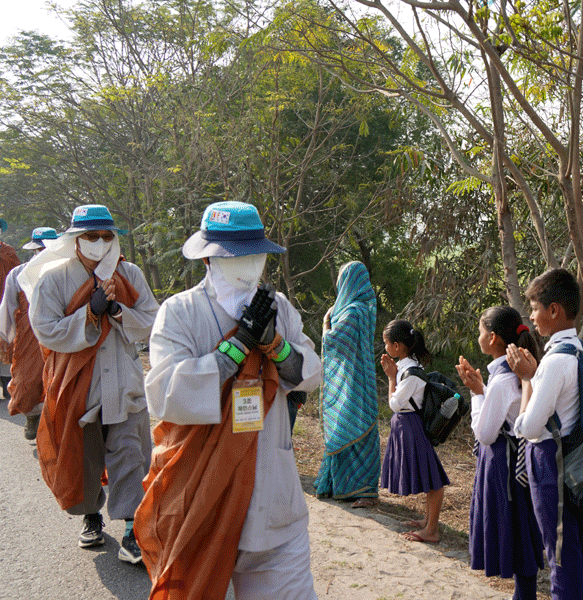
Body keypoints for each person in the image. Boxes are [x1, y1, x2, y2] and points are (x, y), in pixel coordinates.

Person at [136, 200, 324, 600]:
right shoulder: (181, 312)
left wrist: (275, 344)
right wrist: (235, 349)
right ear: (208, 259)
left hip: (275, 503)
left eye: (254, 254)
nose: (247, 263)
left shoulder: (280, 308)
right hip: (204, 496)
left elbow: (310, 375)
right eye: (234, 255)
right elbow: (165, 395)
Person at [20, 205, 158, 564]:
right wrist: (88, 314)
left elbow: (151, 321)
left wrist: (117, 312)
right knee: (85, 454)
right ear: (75, 239)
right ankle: (91, 515)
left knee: (131, 452)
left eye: (106, 236)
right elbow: (46, 331)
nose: (99, 243)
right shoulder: (54, 278)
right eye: (91, 236)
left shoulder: (129, 274)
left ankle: (132, 529)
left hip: (125, 380)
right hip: (77, 384)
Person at [506, 268, 583, 600]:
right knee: (579, 542)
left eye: (534, 308)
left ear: (554, 310)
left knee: (559, 549)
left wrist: (527, 380)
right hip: (575, 459)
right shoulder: (582, 352)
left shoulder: (555, 361)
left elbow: (530, 428)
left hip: (550, 461)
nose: (531, 317)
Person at [456, 306, 544, 600]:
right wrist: (482, 388)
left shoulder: (503, 380)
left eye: (481, 332)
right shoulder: (514, 373)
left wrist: (475, 393)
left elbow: (484, 433)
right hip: (519, 465)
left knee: (513, 531)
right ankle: (524, 594)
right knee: (522, 531)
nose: (478, 336)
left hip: (503, 467)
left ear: (492, 338)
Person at [314, 261, 380, 507]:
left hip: (353, 382)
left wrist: (325, 326)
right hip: (356, 378)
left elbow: (334, 342)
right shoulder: (364, 309)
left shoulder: (353, 312)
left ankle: (365, 490)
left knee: (354, 426)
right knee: (349, 425)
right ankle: (344, 485)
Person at [379, 319, 449, 544]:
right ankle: (427, 521)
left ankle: (432, 530)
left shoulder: (412, 373)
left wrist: (390, 378)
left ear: (397, 346)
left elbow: (394, 404)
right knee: (428, 476)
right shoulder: (406, 367)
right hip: (405, 426)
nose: (385, 348)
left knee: (433, 480)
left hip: (412, 427)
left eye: (387, 343)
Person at [0, 227, 57, 439]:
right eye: (39, 249)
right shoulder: (18, 273)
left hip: (62, 331)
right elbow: (8, 306)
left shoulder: (68, 270)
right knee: (28, 380)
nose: (42, 252)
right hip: (29, 334)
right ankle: (32, 417)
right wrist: (8, 336)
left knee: (59, 379)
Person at [0, 218, 22, 399]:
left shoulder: (9, 252)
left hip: (5, 303)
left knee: (7, 340)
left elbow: (17, 278)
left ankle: (8, 385)